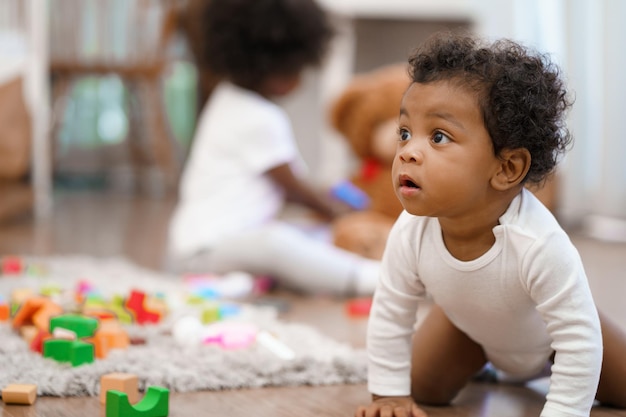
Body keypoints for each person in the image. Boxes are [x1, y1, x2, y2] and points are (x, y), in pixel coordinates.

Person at [356, 32, 626, 417]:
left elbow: (578, 340)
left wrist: (564, 410)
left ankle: (538, 375)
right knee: (421, 389)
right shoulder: (410, 231)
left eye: (438, 136)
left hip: (551, 339)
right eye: (404, 132)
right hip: (469, 331)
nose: (408, 152)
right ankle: (486, 367)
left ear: (506, 167)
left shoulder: (537, 242)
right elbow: (390, 310)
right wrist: (388, 395)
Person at [166, 0, 379, 296]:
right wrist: (335, 211)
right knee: (277, 242)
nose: (302, 78)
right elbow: (292, 188)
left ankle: (244, 283)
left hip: (203, 247)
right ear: (278, 66)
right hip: (207, 251)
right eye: (298, 69)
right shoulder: (258, 118)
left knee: (305, 237)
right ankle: (367, 278)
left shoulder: (227, 98)